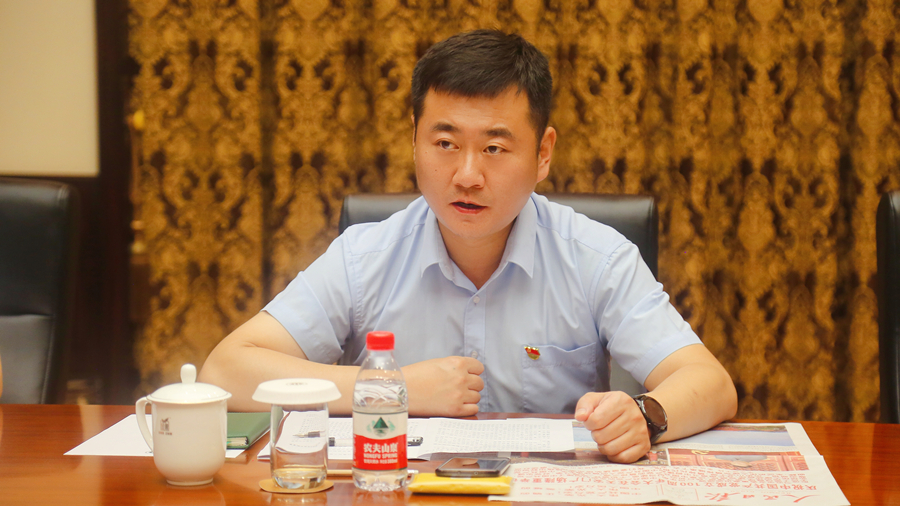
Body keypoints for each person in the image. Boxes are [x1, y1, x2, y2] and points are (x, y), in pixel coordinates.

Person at [200, 29, 737, 463]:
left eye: (495, 148)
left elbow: (710, 383)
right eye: (445, 143)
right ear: (414, 139)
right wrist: (390, 388)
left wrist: (645, 415)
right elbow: (225, 371)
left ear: (543, 153)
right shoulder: (363, 257)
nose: (467, 175)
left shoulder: (596, 257)